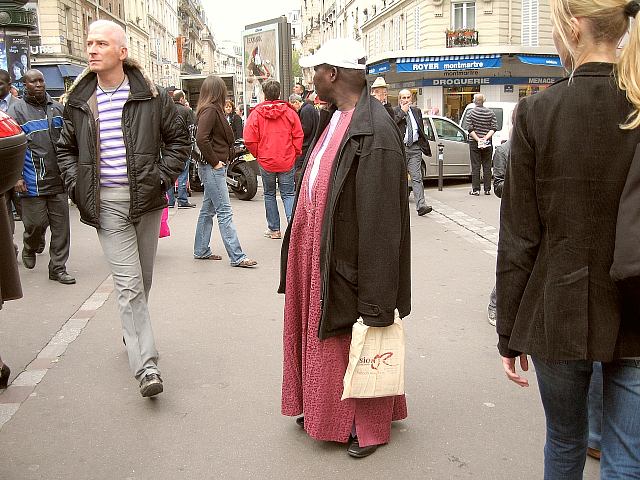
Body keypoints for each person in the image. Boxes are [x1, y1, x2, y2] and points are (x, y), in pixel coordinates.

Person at [497, 0, 640, 476]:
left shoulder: (538, 112)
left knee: (564, 441)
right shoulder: (637, 106)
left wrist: (508, 333)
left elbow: (519, 236)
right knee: (626, 457)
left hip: (557, 307)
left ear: (574, 28)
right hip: (635, 305)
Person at [279, 38, 410, 458]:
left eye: (315, 69)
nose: (311, 76)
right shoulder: (335, 117)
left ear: (332, 74)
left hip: (347, 258)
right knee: (324, 338)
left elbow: (382, 223)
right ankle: (322, 410)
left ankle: (361, 425)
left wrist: (376, 297)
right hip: (318, 250)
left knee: (350, 339)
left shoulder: (376, 129)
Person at [56, 20, 189, 398]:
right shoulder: (79, 102)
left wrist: (161, 178)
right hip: (106, 205)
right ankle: (146, 366)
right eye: (89, 43)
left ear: (122, 52)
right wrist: (76, 187)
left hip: (146, 201)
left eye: (101, 43)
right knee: (129, 285)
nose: (92, 49)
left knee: (142, 281)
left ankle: (132, 331)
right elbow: (65, 149)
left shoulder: (153, 96)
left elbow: (178, 139)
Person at [9, 69, 74, 284]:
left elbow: (69, 141)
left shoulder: (57, 109)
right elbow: (13, 149)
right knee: (36, 224)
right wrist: (17, 177)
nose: (39, 84)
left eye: (41, 81)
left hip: (58, 179)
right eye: (33, 81)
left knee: (61, 228)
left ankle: (58, 268)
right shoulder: (16, 111)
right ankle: (31, 244)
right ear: (24, 85)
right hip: (32, 180)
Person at [193, 74, 257, 268]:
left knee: (208, 210)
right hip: (213, 167)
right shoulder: (211, 110)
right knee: (224, 211)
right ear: (218, 92)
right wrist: (215, 163)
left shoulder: (209, 109)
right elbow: (201, 138)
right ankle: (237, 256)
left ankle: (201, 250)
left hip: (212, 166)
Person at [244, 79, 303, 240]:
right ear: (279, 93)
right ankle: (293, 231)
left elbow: (249, 138)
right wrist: (295, 152)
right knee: (288, 194)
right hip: (286, 159)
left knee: (269, 194)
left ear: (264, 94)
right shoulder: (290, 112)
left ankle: (274, 229)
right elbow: (298, 135)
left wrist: (259, 154)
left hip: (266, 160)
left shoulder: (256, 113)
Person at [487, 108, 514, 326]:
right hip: (513, 214)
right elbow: (498, 186)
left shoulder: (536, 147)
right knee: (510, 258)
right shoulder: (504, 151)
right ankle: (495, 303)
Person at [394, 89, 433, 216]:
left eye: (408, 97)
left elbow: (420, 128)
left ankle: (421, 205)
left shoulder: (416, 111)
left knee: (417, 178)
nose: (406, 100)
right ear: (399, 99)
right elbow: (392, 124)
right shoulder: (394, 111)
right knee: (399, 179)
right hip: (401, 148)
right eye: (403, 98)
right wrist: (402, 113)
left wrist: (423, 144)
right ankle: (397, 207)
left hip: (415, 148)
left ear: (412, 99)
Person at [0, 69, 21, 253]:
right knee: (5, 211)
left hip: (18, 168)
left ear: (9, 85)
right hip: (2, 172)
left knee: (30, 217)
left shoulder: (18, 106)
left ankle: (32, 241)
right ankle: (9, 244)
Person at [167, 89, 196, 209]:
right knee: (183, 174)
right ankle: (182, 200)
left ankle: (170, 201)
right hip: (183, 147)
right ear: (182, 99)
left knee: (169, 174)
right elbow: (192, 129)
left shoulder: (166, 111)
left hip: (168, 147)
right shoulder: (186, 111)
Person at [466, 93, 497, 196]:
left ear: (475, 101)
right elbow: (494, 127)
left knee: (476, 166)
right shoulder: (490, 113)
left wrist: (478, 139)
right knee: (487, 166)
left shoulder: (471, 113)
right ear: (484, 101)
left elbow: (470, 129)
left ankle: (476, 189)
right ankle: (487, 189)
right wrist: (485, 138)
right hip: (487, 142)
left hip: (474, 142)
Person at [288, 93, 318, 186]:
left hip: (306, 145)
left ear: (296, 102)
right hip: (310, 143)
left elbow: (305, 129)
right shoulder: (309, 108)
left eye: (292, 106)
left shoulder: (305, 110)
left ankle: (299, 187)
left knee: (299, 168)